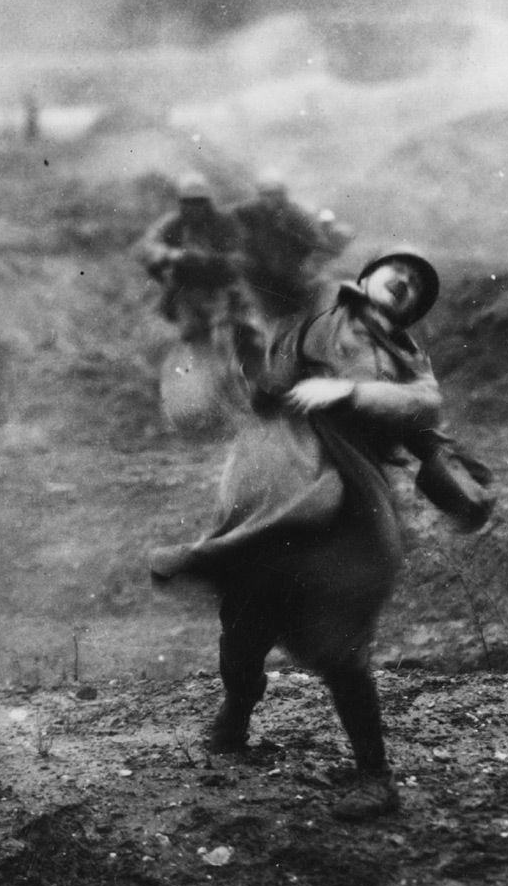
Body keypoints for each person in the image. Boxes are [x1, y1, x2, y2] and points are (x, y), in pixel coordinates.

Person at [150, 251, 486, 820]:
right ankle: (236, 713)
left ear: (410, 316)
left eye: (416, 288)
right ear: (362, 277)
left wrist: (346, 392)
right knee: (244, 618)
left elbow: (426, 404)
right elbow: (262, 361)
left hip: (348, 499)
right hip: (276, 480)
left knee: (340, 637)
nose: (406, 281)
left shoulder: (405, 356)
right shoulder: (313, 313)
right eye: (397, 272)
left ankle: (374, 776)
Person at [135, 171, 250, 346]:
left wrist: (214, 259)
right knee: (183, 338)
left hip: (222, 288)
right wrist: (170, 254)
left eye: (199, 201)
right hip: (186, 290)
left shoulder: (224, 222)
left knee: (245, 335)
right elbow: (147, 245)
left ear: (208, 202)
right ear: (181, 203)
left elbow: (241, 252)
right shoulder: (173, 223)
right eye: (188, 202)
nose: (195, 207)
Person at [227, 170, 354, 328]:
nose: (271, 199)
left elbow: (317, 242)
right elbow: (229, 222)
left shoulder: (295, 214)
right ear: (260, 196)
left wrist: (309, 264)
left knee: (312, 303)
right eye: (266, 194)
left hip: (292, 272)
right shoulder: (247, 212)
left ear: (283, 195)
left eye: (275, 194)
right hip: (259, 273)